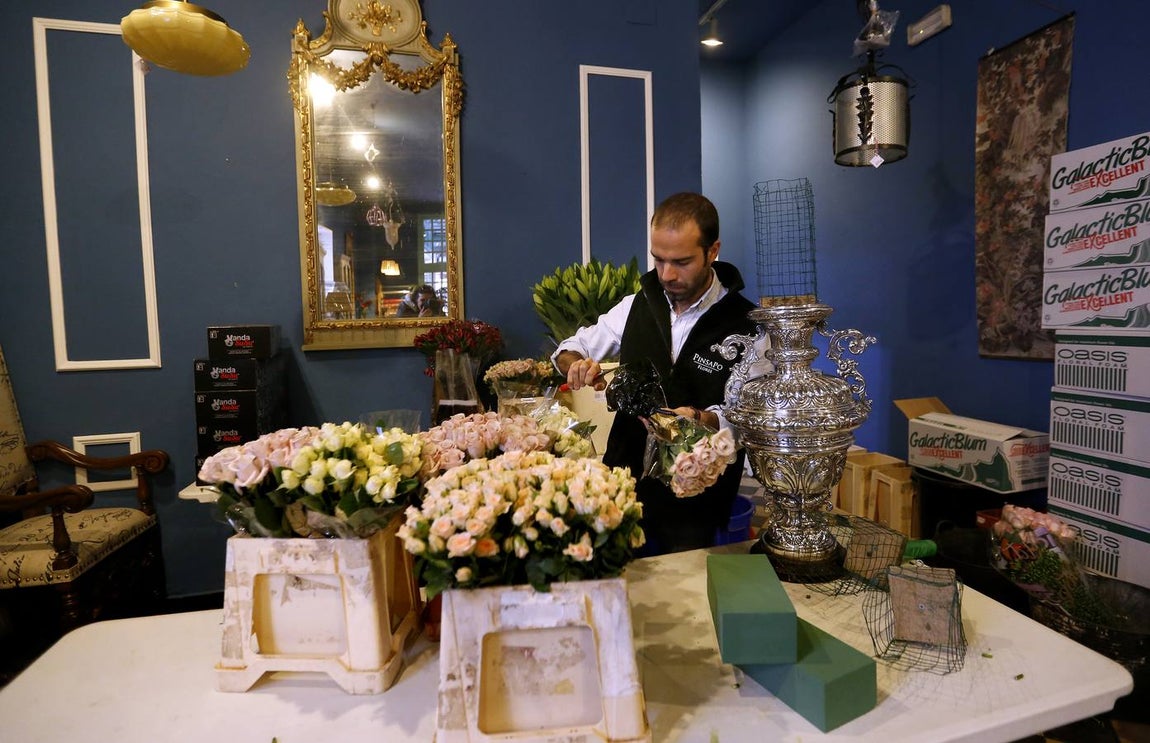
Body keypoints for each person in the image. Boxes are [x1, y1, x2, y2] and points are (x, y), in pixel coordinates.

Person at [553, 192, 759, 555]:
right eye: (658, 259)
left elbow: (752, 421)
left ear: (713, 251)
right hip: (624, 492)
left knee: (690, 589)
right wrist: (577, 365)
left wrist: (701, 419)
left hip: (698, 504)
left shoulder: (749, 326)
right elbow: (569, 348)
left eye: (682, 262)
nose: (667, 275)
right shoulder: (636, 305)